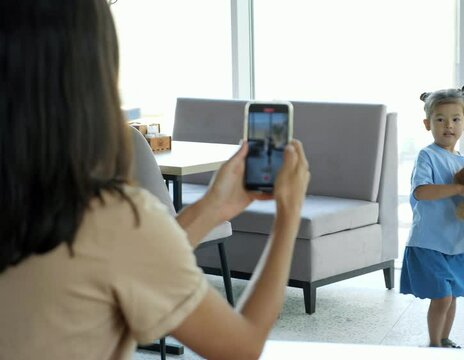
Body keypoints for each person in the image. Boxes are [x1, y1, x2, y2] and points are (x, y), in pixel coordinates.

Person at [0, 1, 310, 359]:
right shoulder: (110, 219)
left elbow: (134, 258)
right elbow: (241, 346)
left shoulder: (108, 227)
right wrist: (289, 215)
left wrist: (213, 206)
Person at [399, 85, 464, 348]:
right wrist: (460, 189)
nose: (448, 126)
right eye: (440, 120)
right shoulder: (427, 156)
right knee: (441, 297)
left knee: (452, 297)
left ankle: (444, 339)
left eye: (455, 119)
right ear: (427, 123)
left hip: (457, 242)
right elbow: (421, 192)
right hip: (429, 242)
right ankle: (433, 344)